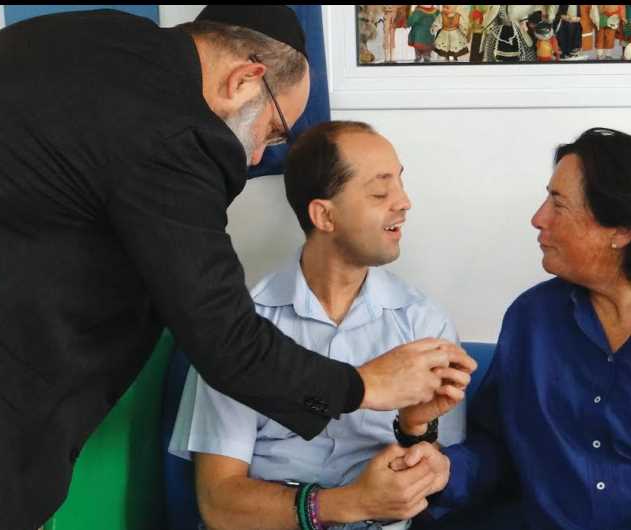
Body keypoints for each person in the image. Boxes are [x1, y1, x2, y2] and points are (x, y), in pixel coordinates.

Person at [0, 7, 467, 529]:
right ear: (244, 80)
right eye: (272, 131)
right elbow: (226, 347)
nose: (254, 159)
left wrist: (416, 430)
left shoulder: (80, 37)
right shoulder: (172, 134)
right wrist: (362, 388)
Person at [402, 128, 631, 529]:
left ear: (622, 229)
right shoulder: (532, 317)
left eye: (558, 204)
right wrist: (445, 471)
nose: (538, 219)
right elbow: (500, 451)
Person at [169, 121, 474, 530]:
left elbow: (436, 488)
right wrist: (348, 503)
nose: (404, 203)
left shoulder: (425, 326)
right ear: (324, 215)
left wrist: (415, 428)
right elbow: (219, 503)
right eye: (380, 192)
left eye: (400, 183)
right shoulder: (239, 330)